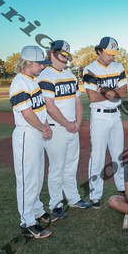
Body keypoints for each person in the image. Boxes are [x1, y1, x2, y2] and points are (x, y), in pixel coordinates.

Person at [38, 40, 92, 218]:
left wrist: (77, 122)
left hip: (71, 127)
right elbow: (50, 107)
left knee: (71, 166)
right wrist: (68, 124)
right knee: (57, 168)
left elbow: (77, 101)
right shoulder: (45, 77)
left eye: (67, 56)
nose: (65, 59)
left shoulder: (70, 76)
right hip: (56, 128)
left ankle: (73, 199)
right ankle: (55, 204)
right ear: (51, 54)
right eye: (62, 55)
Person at [9, 45, 55, 239]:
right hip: (27, 134)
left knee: (36, 176)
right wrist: (44, 128)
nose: (42, 67)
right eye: (39, 63)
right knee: (27, 180)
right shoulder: (19, 82)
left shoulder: (32, 81)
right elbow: (27, 114)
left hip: (36, 132)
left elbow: (38, 110)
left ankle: (36, 210)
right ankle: (27, 223)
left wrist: (45, 125)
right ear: (28, 63)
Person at [82, 37, 128, 209]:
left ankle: (122, 187)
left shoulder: (119, 67)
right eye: (108, 53)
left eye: (113, 53)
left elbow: (124, 93)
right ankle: (95, 195)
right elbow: (92, 96)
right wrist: (112, 91)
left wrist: (103, 89)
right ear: (99, 51)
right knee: (98, 155)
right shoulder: (90, 69)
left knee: (118, 154)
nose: (111, 57)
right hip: (99, 116)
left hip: (116, 115)